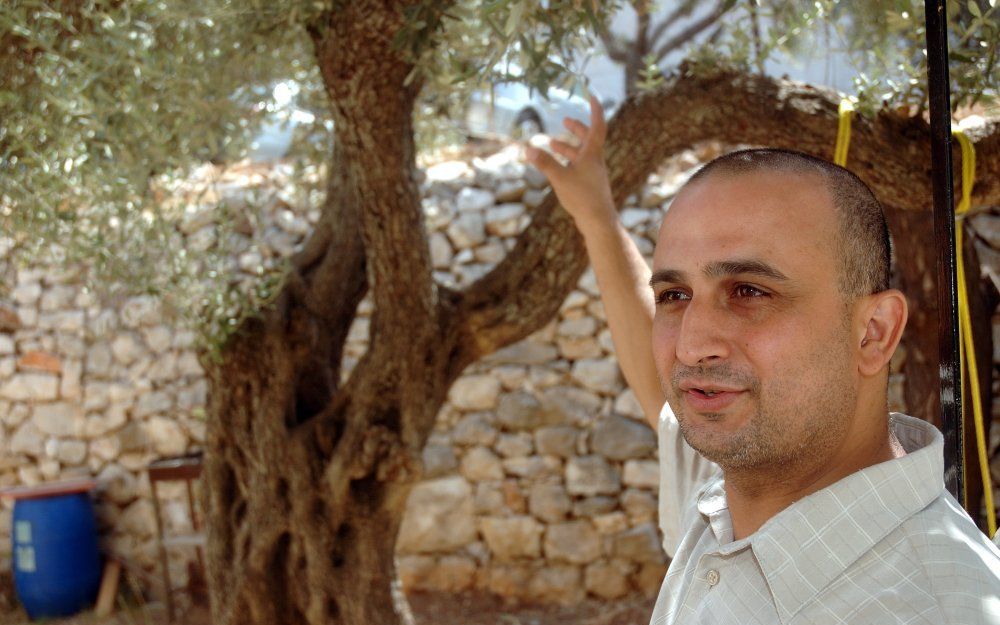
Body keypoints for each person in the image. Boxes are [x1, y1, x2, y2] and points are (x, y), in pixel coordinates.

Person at [526, 96, 1000, 624]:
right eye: (675, 296)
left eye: (748, 291)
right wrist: (596, 215)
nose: (690, 345)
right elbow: (660, 390)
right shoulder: (733, 497)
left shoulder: (938, 609)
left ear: (873, 333)